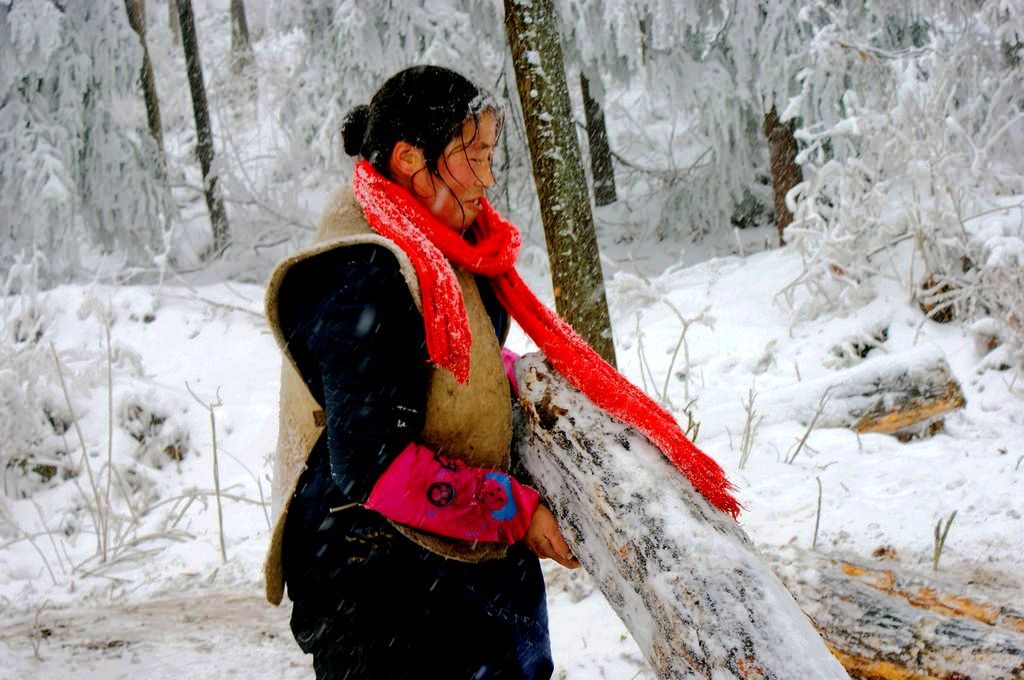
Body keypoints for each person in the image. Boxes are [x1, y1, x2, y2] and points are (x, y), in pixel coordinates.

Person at [262, 65, 578, 680]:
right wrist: (514, 510)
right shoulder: (363, 275)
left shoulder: (428, 243)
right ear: (409, 157)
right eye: (472, 157)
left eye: (491, 156)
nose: (487, 178)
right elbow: (372, 464)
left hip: (430, 577)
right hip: (380, 590)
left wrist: (514, 377)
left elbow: (440, 370)